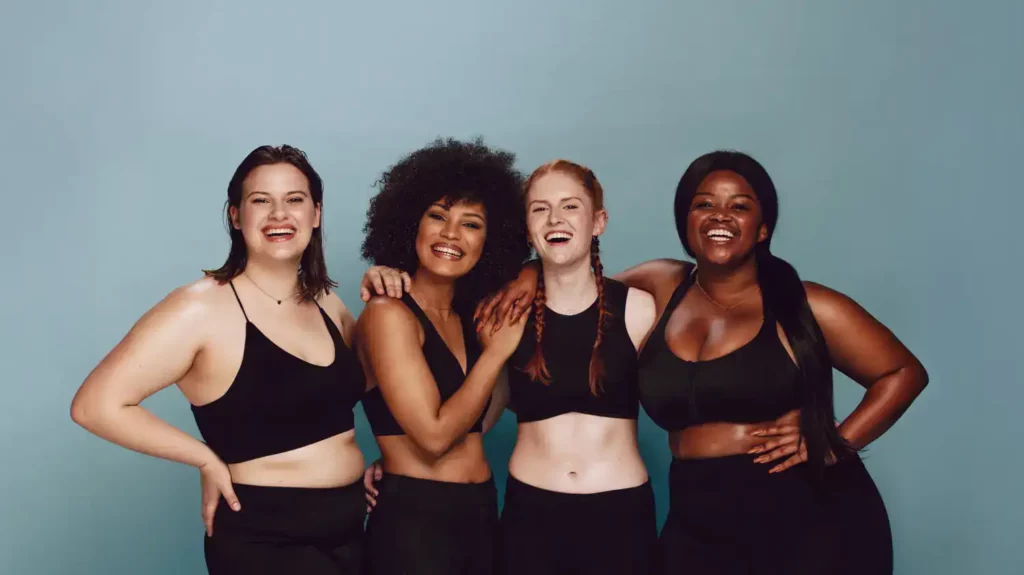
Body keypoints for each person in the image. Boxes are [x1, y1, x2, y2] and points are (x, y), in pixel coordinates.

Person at [474, 150, 929, 574]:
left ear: (764, 227)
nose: (720, 217)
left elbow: (903, 373)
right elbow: (574, 280)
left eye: (740, 207)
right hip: (697, 514)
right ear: (685, 222)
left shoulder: (803, 303)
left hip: (807, 510)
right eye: (704, 205)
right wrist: (530, 270)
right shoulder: (662, 285)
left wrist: (835, 441)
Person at [70, 145, 368, 574]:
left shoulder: (328, 303)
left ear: (316, 214)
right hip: (268, 542)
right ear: (235, 215)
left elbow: (380, 388)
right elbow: (94, 405)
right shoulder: (200, 308)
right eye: (260, 200)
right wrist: (204, 457)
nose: (279, 214)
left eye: (295, 200)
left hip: (350, 534)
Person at [355, 137, 530, 575]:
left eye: (471, 224)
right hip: (415, 525)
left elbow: (476, 421)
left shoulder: (471, 317)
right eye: (437, 216)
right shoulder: (387, 313)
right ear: (410, 223)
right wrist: (498, 354)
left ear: (491, 241)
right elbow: (433, 440)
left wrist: (528, 275)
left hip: (480, 511)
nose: (451, 234)